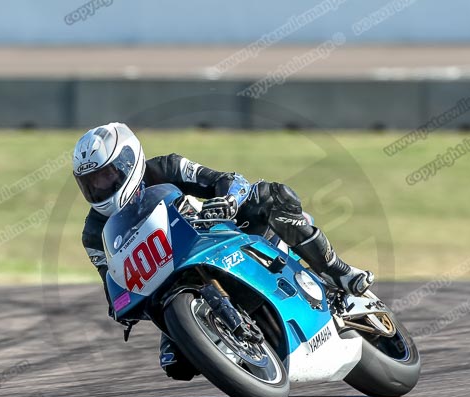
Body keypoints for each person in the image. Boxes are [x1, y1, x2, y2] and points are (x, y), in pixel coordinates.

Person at [75, 122, 374, 380]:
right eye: (90, 183)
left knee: (272, 197)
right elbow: (111, 281)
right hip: (166, 285)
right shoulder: (93, 233)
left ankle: (339, 271)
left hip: (218, 234)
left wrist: (229, 200)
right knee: (178, 365)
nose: (99, 188)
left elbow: (227, 180)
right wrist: (121, 307)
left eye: (105, 176)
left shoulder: (166, 168)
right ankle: (240, 349)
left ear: (128, 161)